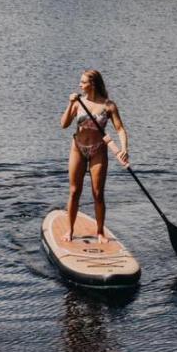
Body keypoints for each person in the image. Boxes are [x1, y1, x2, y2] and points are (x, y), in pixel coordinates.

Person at [59, 69, 129, 243]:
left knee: (98, 194)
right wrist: (70, 104)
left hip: (98, 150)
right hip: (78, 148)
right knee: (74, 191)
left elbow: (120, 129)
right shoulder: (78, 103)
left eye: (83, 82)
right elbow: (64, 124)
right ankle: (70, 230)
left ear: (93, 84)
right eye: (80, 82)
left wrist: (124, 148)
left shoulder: (108, 105)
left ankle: (100, 232)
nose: (80, 85)